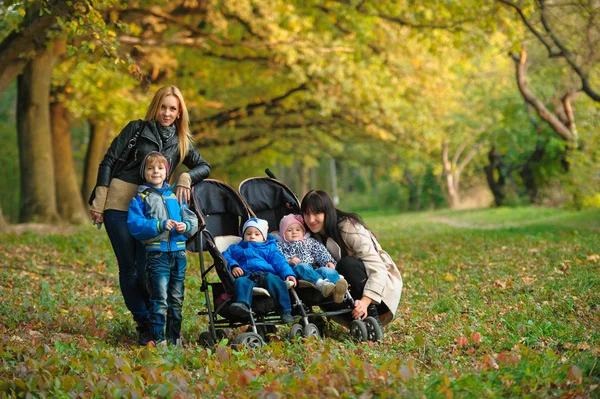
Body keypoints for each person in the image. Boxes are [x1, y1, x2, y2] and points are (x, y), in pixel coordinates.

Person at [88, 86, 210, 345]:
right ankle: (144, 323)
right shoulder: (137, 129)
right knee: (129, 268)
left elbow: (204, 166)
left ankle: (155, 321)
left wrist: (185, 177)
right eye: (163, 107)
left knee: (148, 269)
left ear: (179, 113)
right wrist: (99, 202)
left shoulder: (181, 142)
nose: (167, 113)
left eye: (173, 109)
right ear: (156, 106)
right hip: (120, 204)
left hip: (154, 210)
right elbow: (108, 161)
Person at [301, 190, 403, 329]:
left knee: (346, 265)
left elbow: (378, 268)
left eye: (316, 213)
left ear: (327, 212)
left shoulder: (349, 228)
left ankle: (372, 317)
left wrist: (366, 301)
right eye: (307, 214)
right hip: (347, 292)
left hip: (378, 292)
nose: (311, 219)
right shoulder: (310, 237)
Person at [127, 152, 199, 347]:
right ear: (144, 172)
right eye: (150, 168)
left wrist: (186, 226)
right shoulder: (141, 197)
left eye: (160, 168)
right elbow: (135, 225)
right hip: (157, 254)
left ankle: (174, 338)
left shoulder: (175, 195)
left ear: (166, 171)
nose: (155, 172)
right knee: (160, 299)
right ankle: (159, 339)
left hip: (178, 254)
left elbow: (192, 218)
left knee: (176, 299)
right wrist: (159, 225)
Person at [223, 218, 297, 323]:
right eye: (248, 233)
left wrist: (288, 273)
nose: (252, 236)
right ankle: (242, 305)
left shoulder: (269, 248)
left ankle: (285, 311)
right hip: (247, 274)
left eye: (257, 234)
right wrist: (234, 266)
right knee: (240, 282)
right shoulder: (236, 249)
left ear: (264, 237)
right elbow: (226, 257)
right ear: (243, 236)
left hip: (266, 274)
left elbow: (280, 262)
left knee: (277, 282)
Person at [276, 214, 348, 303]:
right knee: (302, 266)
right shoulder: (280, 245)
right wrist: (289, 260)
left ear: (303, 231)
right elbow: (277, 259)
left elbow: (320, 252)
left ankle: (338, 286)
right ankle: (321, 284)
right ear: (283, 234)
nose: (294, 232)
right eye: (289, 230)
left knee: (326, 270)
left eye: (298, 229)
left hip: (314, 269)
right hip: (296, 271)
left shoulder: (310, 242)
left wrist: (328, 261)